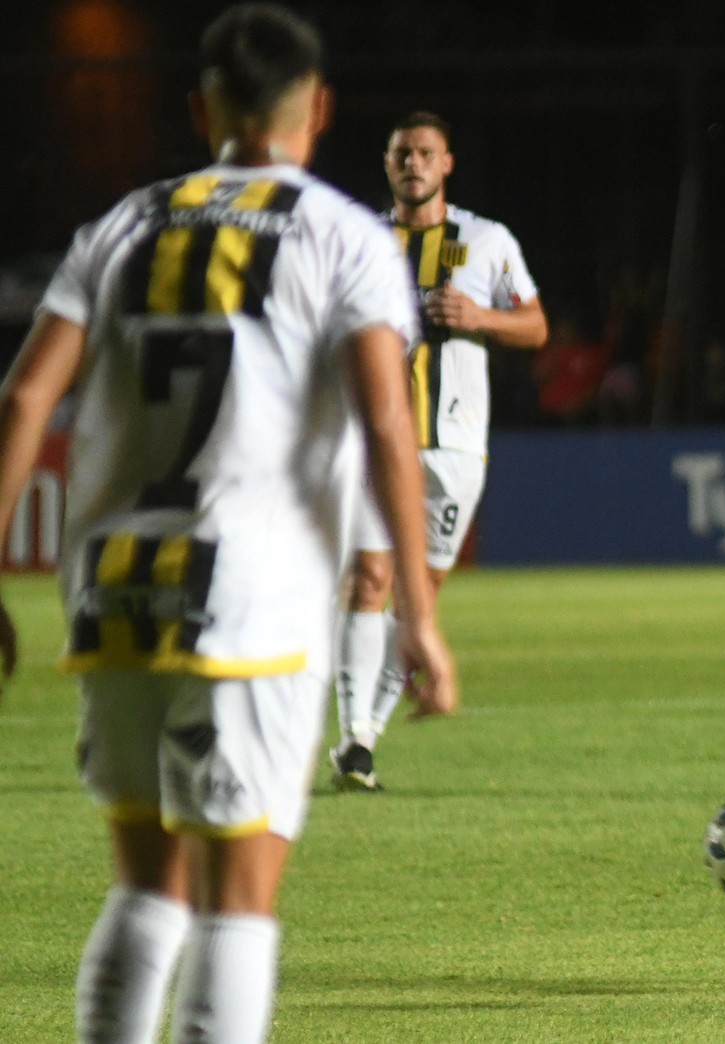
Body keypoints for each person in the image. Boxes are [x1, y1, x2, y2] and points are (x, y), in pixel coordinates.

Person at [0, 6, 458, 1040]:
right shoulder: (342, 235)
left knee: (144, 889)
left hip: (112, 591)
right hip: (249, 601)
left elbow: (26, 398)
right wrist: (419, 618)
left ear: (202, 107)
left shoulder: (125, 223)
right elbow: (389, 424)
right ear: (321, 110)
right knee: (234, 906)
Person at [331, 111, 547, 790]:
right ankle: (355, 741)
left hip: (453, 447)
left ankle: (370, 723)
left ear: (446, 162)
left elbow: (536, 326)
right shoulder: (360, 240)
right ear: (387, 162)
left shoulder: (486, 241)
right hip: (371, 439)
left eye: (424, 153)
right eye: (401, 153)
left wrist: (481, 317)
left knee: (417, 595)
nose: (412, 164)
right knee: (369, 576)